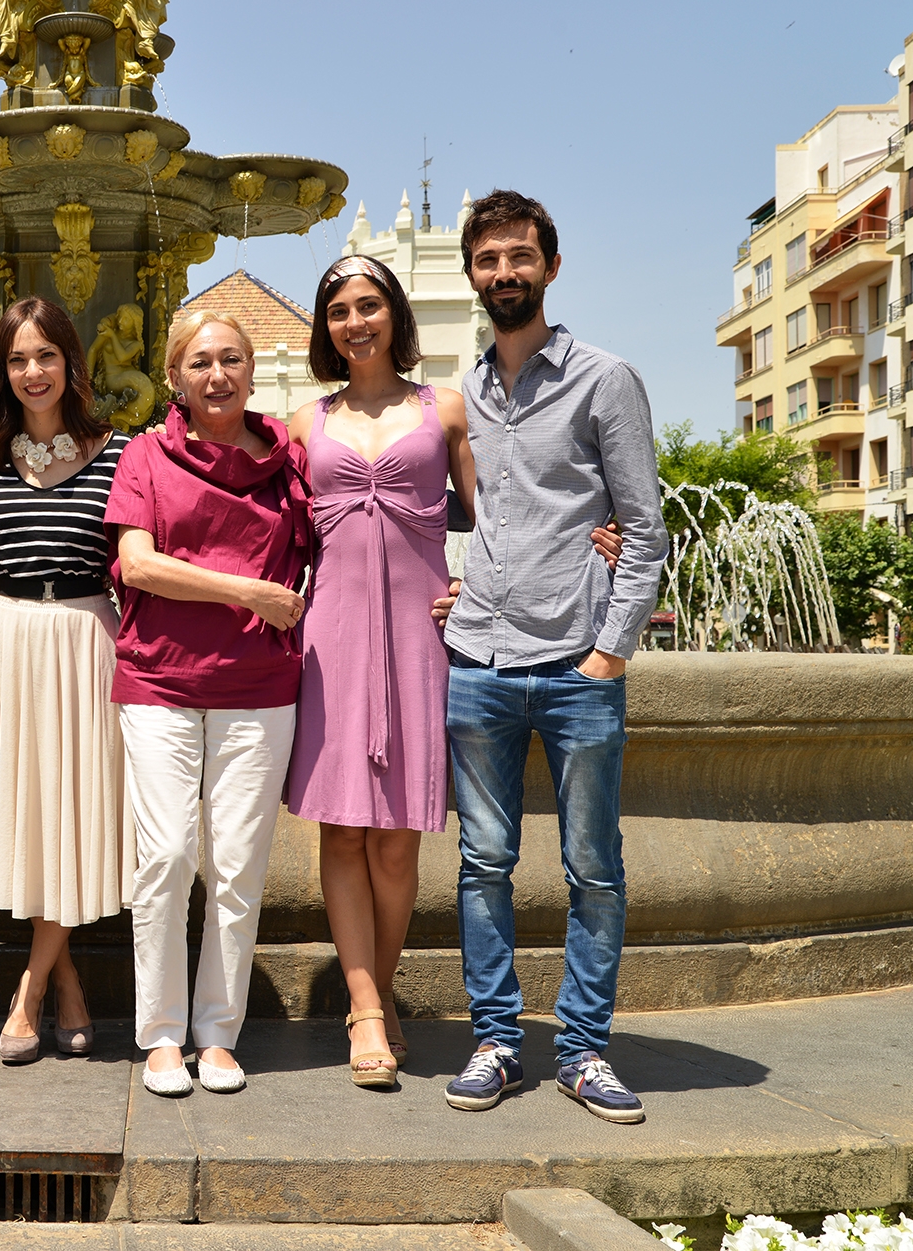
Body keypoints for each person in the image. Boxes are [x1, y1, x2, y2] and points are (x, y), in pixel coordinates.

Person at [438, 190, 667, 1124]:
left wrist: (610, 653)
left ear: (551, 267)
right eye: (489, 259)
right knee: (482, 865)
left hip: (577, 664)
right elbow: (447, 514)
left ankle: (582, 1051)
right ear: (472, 274)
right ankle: (496, 1041)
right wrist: (449, 591)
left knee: (594, 869)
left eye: (520, 256)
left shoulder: (605, 380)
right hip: (478, 661)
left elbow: (645, 531)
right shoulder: (462, 393)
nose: (504, 272)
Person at [107, 311, 311, 1097]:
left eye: (231, 359)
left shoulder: (289, 461)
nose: (217, 374)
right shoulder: (145, 455)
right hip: (160, 679)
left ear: (253, 371)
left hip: (259, 685)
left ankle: (217, 1033)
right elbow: (138, 564)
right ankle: (161, 1034)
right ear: (175, 378)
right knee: (166, 855)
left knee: (238, 863)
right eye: (200, 362)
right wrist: (247, 590)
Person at [287, 256, 473, 1090]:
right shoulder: (304, 420)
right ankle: (365, 1007)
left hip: (420, 635)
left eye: (368, 306)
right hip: (330, 638)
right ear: (325, 327)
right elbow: (267, 526)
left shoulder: (447, 410)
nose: (355, 322)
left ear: (394, 313)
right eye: (339, 311)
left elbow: (501, 519)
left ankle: (381, 985)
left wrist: (479, 587)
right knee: (342, 830)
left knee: (398, 840)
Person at [0, 296, 129, 1064]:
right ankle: (68, 981)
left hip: (87, 640)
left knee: (74, 810)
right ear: (3, 370)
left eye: (46, 354)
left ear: (70, 362)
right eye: (17, 358)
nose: (33, 371)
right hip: (10, 641)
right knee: (31, 812)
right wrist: (11, 606)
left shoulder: (119, 451)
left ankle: (31, 989)